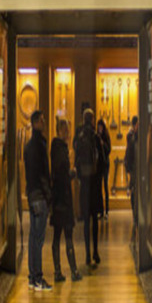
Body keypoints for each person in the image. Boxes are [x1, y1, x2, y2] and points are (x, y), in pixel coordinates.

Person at [50, 117, 82, 282]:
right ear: (61, 131)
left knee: (58, 236)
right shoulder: (60, 149)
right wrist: (72, 173)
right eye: (66, 130)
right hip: (62, 199)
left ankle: (58, 271)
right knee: (66, 234)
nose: (69, 134)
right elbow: (61, 173)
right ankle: (74, 270)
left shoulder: (57, 148)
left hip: (58, 199)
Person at [23, 110, 52, 291]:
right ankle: (38, 278)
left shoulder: (28, 146)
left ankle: (32, 276)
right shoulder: (39, 146)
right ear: (35, 123)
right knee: (38, 239)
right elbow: (42, 174)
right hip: (40, 197)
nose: (45, 122)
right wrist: (49, 195)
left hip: (32, 194)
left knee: (33, 237)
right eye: (42, 120)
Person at [73, 108, 105, 267]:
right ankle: (96, 252)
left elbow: (76, 160)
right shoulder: (95, 137)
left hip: (84, 185)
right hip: (94, 184)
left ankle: (86, 253)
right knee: (94, 220)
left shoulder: (79, 137)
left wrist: (80, 178)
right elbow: (103, 161)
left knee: (86, 221)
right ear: (92, 120)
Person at [125, 115, 139, 243]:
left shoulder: (134, 139)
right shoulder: (133, 139)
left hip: (137, 176)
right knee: (135, 199)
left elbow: (128, 157)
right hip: (136, 176)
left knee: (135, 200)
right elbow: (129, 157)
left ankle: (137, 222)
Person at [96, 118, 112, 219]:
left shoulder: (106, 136)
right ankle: (101, 210)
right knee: (99, 187)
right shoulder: (96, 136)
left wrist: (103, 143)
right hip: (99, 164)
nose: (100, 128)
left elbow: (108, 149)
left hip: (105, 164)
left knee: (105, 186)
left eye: (101, 126)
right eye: (99, 126)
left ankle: (107, 210)